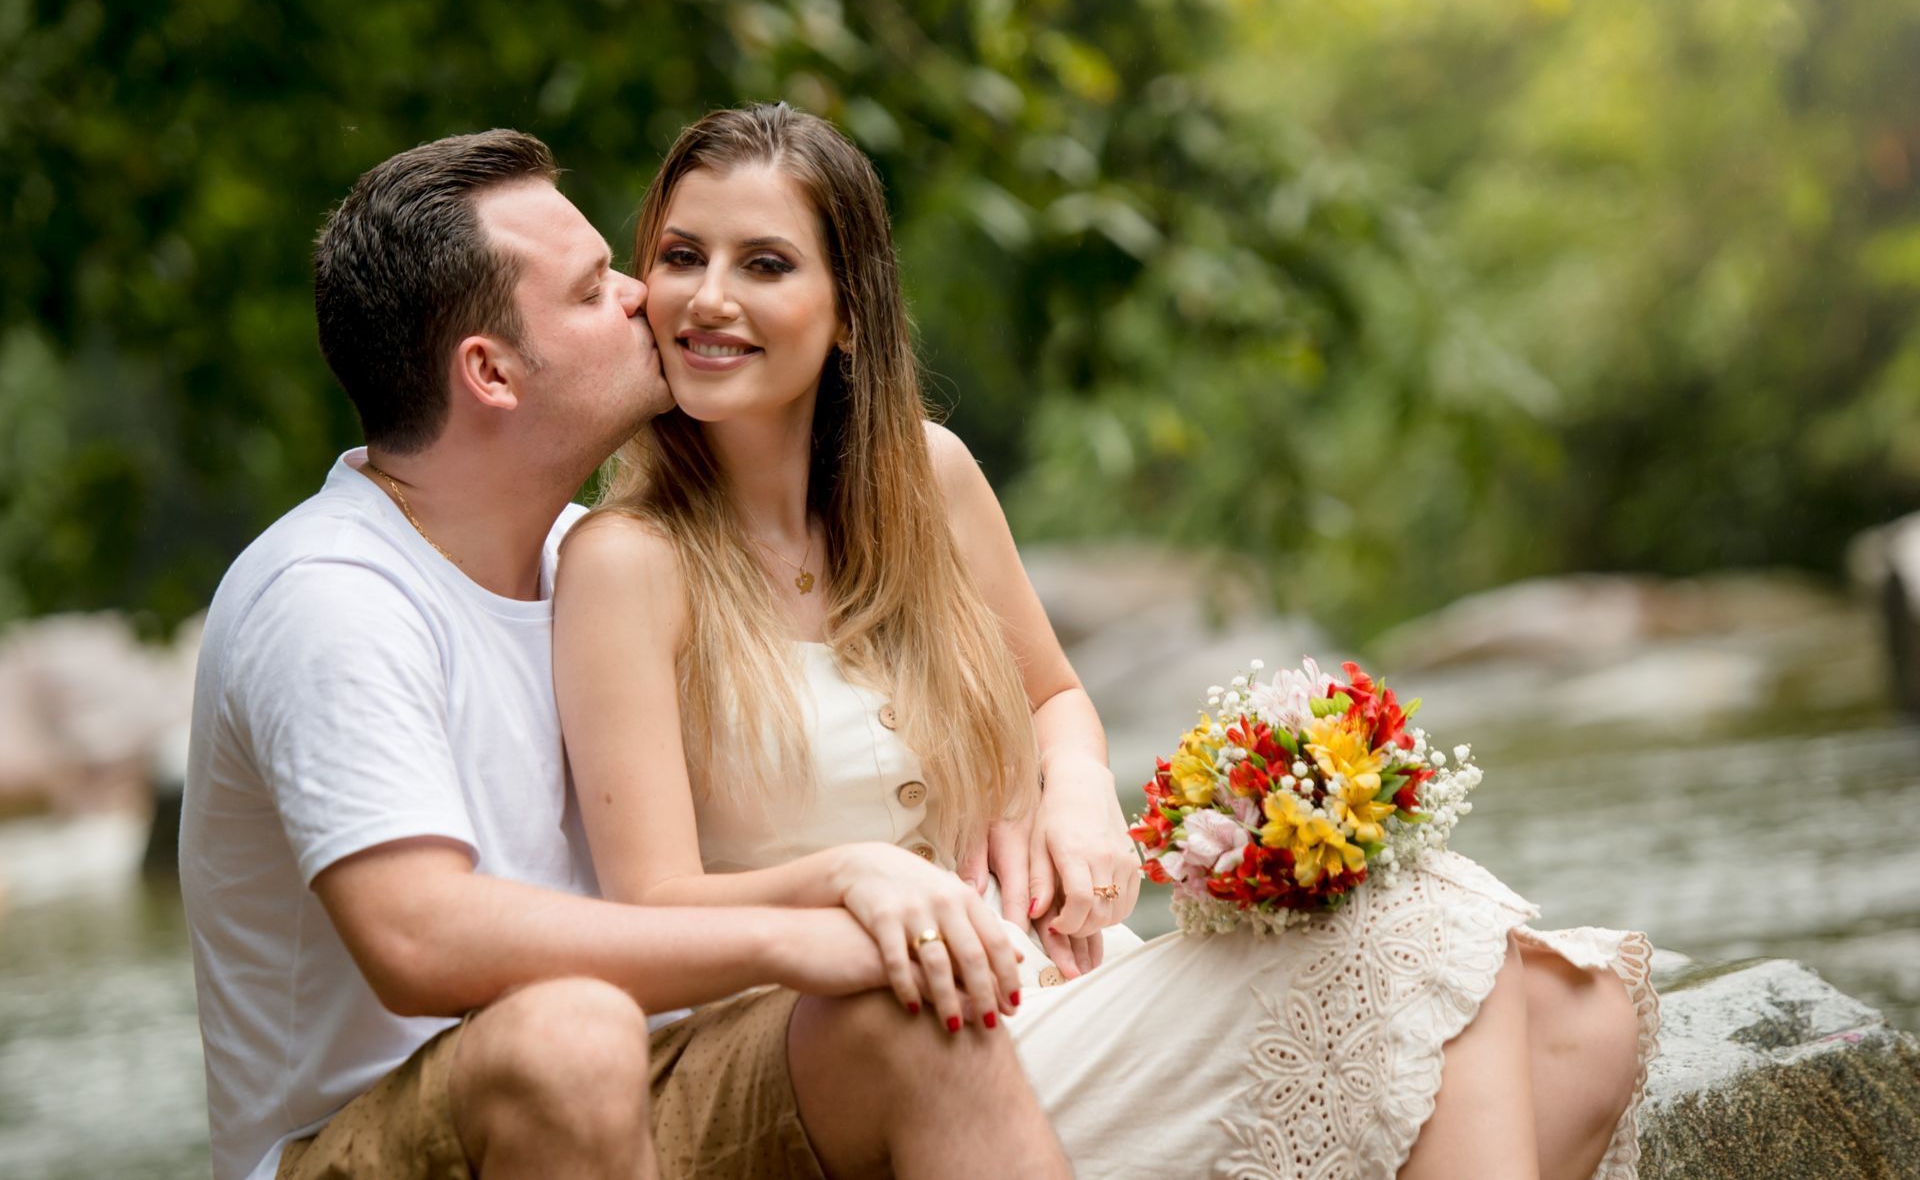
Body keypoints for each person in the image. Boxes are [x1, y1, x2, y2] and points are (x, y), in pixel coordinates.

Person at [553, 103, 1661, 1180]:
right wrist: (856, 878)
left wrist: (1079, 792)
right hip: (871, 1043)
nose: (708, 296)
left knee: (1580, 1015)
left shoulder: (928, 479)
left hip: (1057, 978)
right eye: (683, 256)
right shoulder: (629, 562)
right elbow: (650, 907)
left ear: (850, 312)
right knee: (1424, 926)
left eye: (764, 264)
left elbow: (1054, 697)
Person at [179, 129, 1075, 1180]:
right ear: (491, 371)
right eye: (592, 286)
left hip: (648, 1079)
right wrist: (805, 921)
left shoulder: (589, 560)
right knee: (571, 1035)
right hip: (368, 1140)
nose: (644, 295)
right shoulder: (332, 597)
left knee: (911, 1012)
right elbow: (418, 937)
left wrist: (1026, 794)